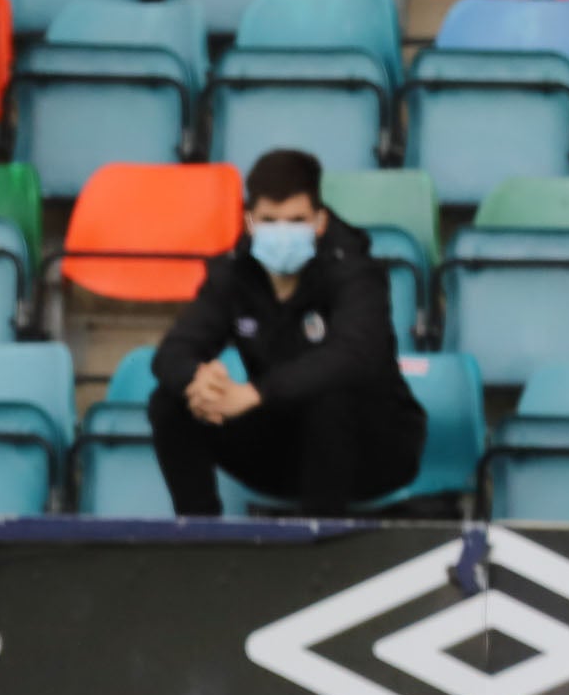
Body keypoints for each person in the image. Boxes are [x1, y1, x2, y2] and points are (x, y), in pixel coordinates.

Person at [150, 149, 427, 518]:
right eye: (269, 220)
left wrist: (256, 392)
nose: (282, 233)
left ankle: (316, 543)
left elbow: (356, 355)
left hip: (374, 453)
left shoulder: (356, 273)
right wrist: (199, 380)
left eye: (296, 221)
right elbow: (172, 351)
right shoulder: (233, 274)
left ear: (320, 221)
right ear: (250, 222)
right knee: (170, 402)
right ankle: (201, 535)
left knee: (328, 394)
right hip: (282, 451)